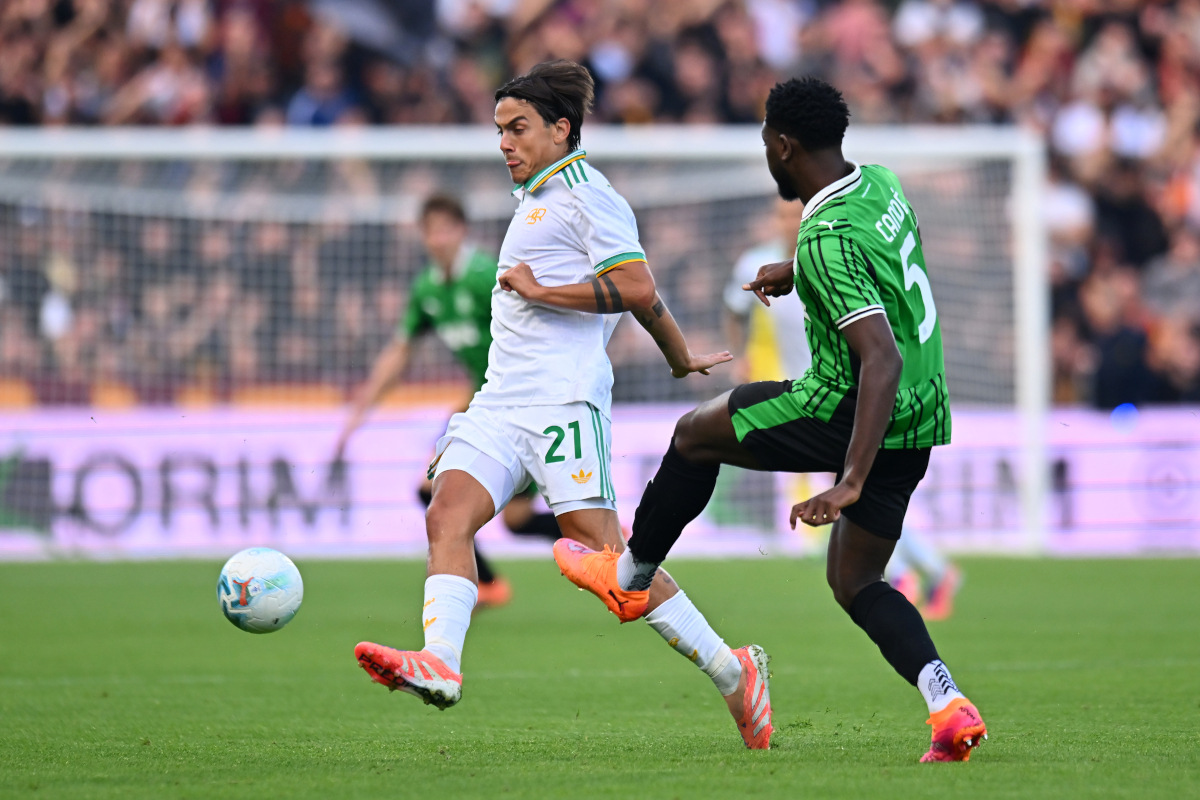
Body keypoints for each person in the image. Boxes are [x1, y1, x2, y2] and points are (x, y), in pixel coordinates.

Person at [557, 77, 987, 763]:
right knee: (855, 581)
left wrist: (848, 482)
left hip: (847, 408)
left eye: (765, 142)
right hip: (923, 418)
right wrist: (799, 270)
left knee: (695, 435)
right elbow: (880, 269)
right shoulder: (878, 183)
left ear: (783, 145)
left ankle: (631, 575)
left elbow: (878, 360)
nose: (765, 153)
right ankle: (947, 702)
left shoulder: (825, 239)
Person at [353, 60, 775, 749]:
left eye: (517, 128)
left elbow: (634, 285)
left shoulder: (588, 195)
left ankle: (735, 674)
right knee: (447, 511)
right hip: (500, 402)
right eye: (498, 130)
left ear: (561, 128)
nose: (504, 143)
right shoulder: (541, 196)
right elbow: (643, 295)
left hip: (562, 406)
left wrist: (545, 293)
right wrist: (676, 354)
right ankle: (442, 663)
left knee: (610, 560)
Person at [334, 195, 560, 609]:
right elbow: (399, 353)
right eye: (430, 230)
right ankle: (488, 583)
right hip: (482, 400)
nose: (438, 238)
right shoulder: (427, 288)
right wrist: (358, 414)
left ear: (462, 231)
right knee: (437, 491)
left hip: (522, 401)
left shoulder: (484, 276)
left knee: (516, 520)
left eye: (445, 228)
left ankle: (606, 539)